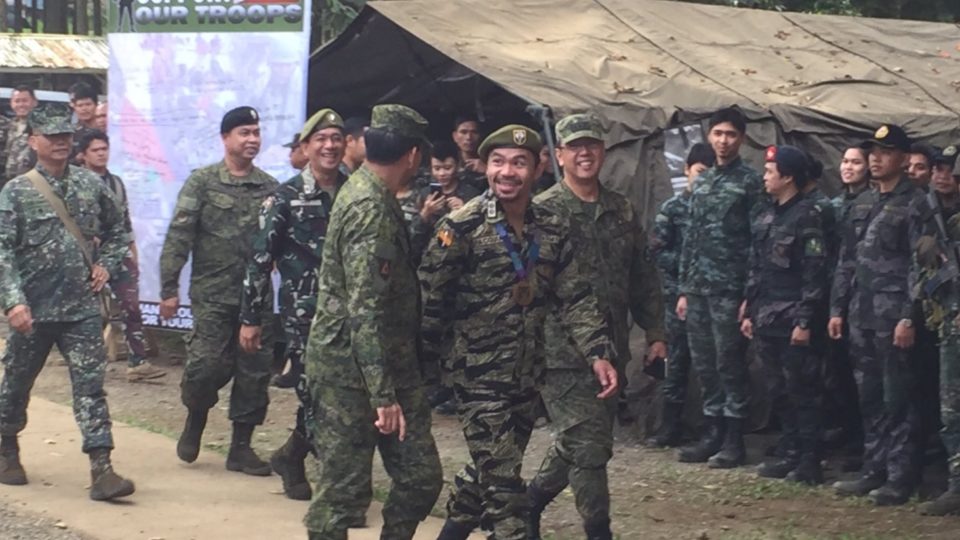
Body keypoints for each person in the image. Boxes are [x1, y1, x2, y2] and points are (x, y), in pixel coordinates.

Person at [422, 124, 618, 540]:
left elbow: (576, 296)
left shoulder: (551, 226)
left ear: (537, 168)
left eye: (518, 163)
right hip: (477, 380)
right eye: (497, 162)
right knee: (506, 494)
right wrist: (418, 378)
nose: (506, 172)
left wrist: (598, 353)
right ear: (486, 167)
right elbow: (428, 305)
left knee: (486, 474)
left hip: (527, 377)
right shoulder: (460, 227)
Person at [302, 104, 442, 540]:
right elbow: (364, 308)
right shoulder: (369, 207)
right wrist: (382, 395)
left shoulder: (373, 194)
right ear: (414, 155)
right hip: (350, 374)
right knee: (342, 495)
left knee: (421, 478)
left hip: (391, 366)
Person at [527, 114, 667, 539]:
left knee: (581, 440)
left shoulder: (620, 208)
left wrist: (656, 332)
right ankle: (598, 531)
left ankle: (529, 503)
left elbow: (642, 276)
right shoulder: (543, 211)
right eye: (575, 147)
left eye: (592, 145)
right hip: (561, 352)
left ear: (603, 152)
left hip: (613, 346)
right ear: (559, 155)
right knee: (590, 447)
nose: (584, 153)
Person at [0, 108, 134, 500]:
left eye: (66, 135)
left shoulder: (92, 186)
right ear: (33, 140)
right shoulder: (16, 192)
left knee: (90, 388)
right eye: (52, 135)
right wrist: (13, 302)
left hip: (81, 309)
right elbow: (3, 251)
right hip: (33, 312)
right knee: (16, 385)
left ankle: (102, 469)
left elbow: (118, 230)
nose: (61, 141)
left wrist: (106, 266)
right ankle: (7, 447)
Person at [159, 106, 279, 476]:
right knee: (204, 366)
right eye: (244, 132)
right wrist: (168, 287)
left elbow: (281, 242)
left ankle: (240, 448)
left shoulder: (271, 188)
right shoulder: (202, 182)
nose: (252, 139)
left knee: (254, 372)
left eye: (256, 132)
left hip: (255, 299)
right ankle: (196, 416)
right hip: (212, 295)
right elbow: (180, 235)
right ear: (226, 138)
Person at [240, 108, 347, 500]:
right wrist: (251, 318)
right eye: (321, 139)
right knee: (316, 393)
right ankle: (337, 489)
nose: (330, 146)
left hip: (351, 316)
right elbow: (259, 261)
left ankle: (291, 454)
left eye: (337, 138)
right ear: (305, 147)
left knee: (339, 395)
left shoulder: (355, 191)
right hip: (305, 317)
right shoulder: (283, 198)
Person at [830, 124, 923, 506]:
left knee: (898, 397)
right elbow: (846, 261)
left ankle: (901, 477)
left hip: (893, 317)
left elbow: (922, 265)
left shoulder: (917, 203)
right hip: (861, 314)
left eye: (885, 152)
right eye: (873, 151)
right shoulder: (864, 203)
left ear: (902, 158)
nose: (875, 158)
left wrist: (909, 316)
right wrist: (837, 308)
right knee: (868, 396)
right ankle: (875, 468)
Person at [676, 107, 764, 469]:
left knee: (730, 364)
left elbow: (759, 241)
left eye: (730, 134)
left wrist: (751, 294)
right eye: (718, 134)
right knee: (705, 363)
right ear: (709, 137)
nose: (723, 141)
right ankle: (712, 431)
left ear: (741, 138)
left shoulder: (750, 183)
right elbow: (690, 238)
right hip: (698, 289)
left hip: (731, 289)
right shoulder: (704, 182)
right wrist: (683, 288)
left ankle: (733, 438)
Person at [742, 146, 828, 484]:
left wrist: (805, 321)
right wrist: (750, 309)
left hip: (794, 320)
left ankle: (810, 460)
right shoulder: (768, 215)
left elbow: (814, 273)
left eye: (770, 171)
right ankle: (790, 452)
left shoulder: (808, 216)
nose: (764, 177)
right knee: (778, 390)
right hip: (767, 319)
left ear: (788, 176)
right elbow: (757, 267)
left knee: (802, 390)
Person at [76, 130, 165, 383]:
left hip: (117, 252)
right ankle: (86, 361)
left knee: (131, 305)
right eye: (96, 150)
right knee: (89, 311)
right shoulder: (74, 182)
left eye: (104, 148)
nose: (102, 153)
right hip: (87, 255)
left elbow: (124, 219)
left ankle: (137, 363)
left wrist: (131, 249)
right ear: (83, 155)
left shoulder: (115, 183)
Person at [646, 142, 716, 447]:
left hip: (711, 299)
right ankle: (669, 428)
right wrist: (690, 262)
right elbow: (658, 251)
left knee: (711, 365)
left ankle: (711, 430)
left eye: (709, 173)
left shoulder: (718, 210)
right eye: (699, 171)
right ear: (687, 170)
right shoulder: (673, 208)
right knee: (675, 365)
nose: (702, 178)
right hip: (677, 298)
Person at [914, 145, 960, 516]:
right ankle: (956, 485)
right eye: (938, 169)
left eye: (951, 170)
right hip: (948, 323)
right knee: (951, 410)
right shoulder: (928, 212)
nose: (943, 176)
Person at [823, 146, 871, 464]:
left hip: (867, 302)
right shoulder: (833, 206)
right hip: (833, 299)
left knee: (864, 378)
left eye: (856, 162)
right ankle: (848, 430)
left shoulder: (874, 203)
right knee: (837, 372)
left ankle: (864, 441)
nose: (848, 167)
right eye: (845, 161)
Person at [2, 85, 38, 185]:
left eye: (25, 100)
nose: (21, 104)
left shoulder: (41, 126)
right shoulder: (9, 126)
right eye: (17, 101)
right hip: (10, 182)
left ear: (34, 102)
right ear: (11, 103)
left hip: (32, 182)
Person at [452, 115, 487, 192]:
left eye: (474, 132)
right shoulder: (449, 161)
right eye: (463, 132)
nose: (469, 137)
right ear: (455, 136)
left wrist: (487, 170)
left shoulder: (490, 160)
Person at [68, 83, 99, 164]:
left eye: (88, 104)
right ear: (74, 108)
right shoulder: (72, 133)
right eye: (80, 105)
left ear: (96, 105)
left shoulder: (106, 129)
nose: (84, 109)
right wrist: (77, 159)